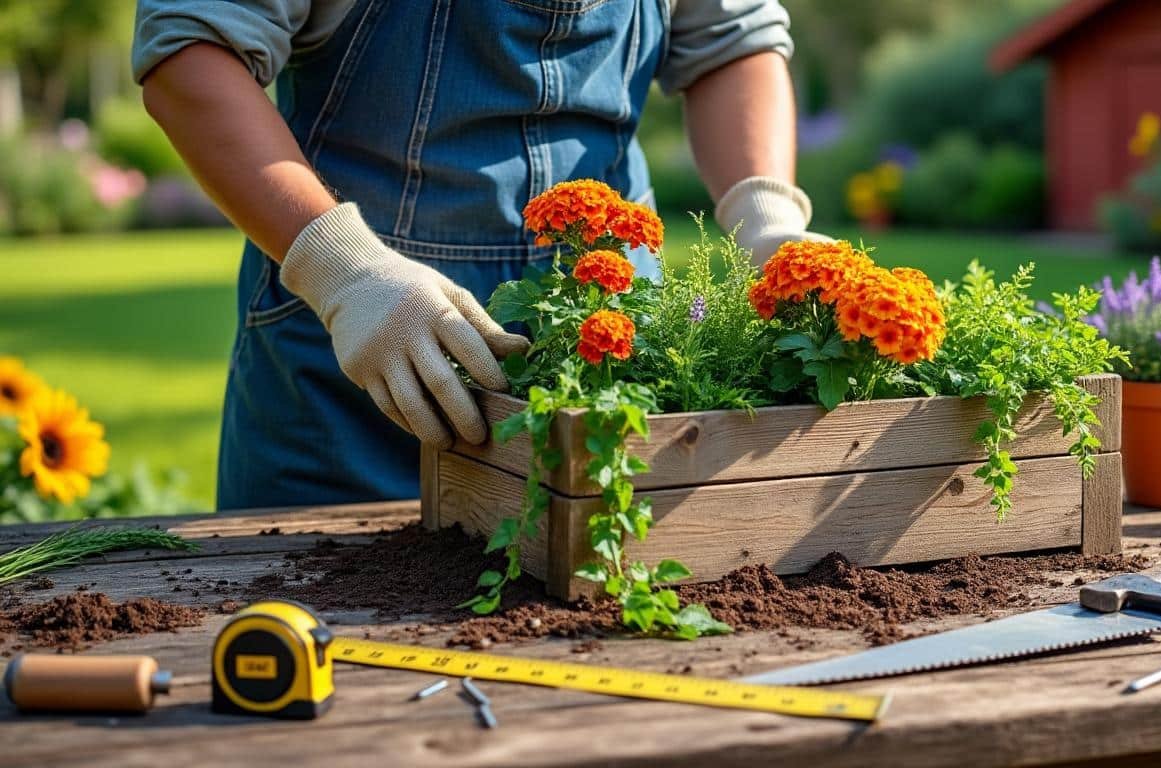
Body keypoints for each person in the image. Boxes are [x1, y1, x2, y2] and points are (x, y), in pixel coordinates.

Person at [133, 0, 829, 510]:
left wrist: (762, 215)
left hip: (614, 368)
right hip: (354, 373)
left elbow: (729, 42)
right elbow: (190, 47)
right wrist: (340, 267)